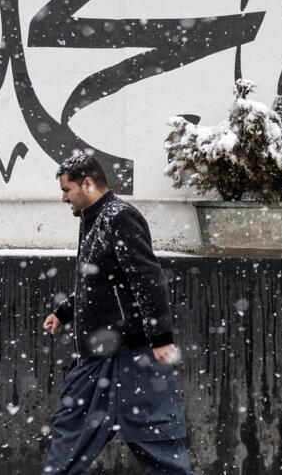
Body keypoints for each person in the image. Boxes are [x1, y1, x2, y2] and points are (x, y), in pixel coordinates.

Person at [42, 153, 191, 474]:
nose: (63, 197)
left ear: (88, 183)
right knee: (71, 440)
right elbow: (99, 282)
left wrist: (161, 337)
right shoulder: (94, 219)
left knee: (156, 443)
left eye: (66, 190)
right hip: (99, 359)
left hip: (129, 355)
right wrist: (65, 312)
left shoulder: (119, 217)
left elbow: (147, 278)